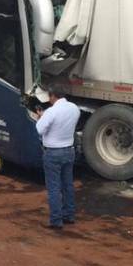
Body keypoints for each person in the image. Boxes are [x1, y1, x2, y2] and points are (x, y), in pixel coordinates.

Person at [31, 88, 82, 229]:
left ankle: (56, 220)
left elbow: (39, 129)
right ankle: (69, 215)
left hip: (53, 153)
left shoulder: (51, 112)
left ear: (53, 96)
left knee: (53, 187)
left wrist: (41, 117)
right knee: (68, 185)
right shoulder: (74, 108)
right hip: (69, 151)